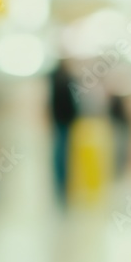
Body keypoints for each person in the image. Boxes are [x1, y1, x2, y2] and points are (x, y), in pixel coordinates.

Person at [49, 60, 79, 204]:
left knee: (60, 153)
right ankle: (64, 183)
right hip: (65, 121)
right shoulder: (64, 79)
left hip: (59, 121)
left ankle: (61, 183)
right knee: (63, 153)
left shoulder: (54, 79)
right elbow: (70, 103)